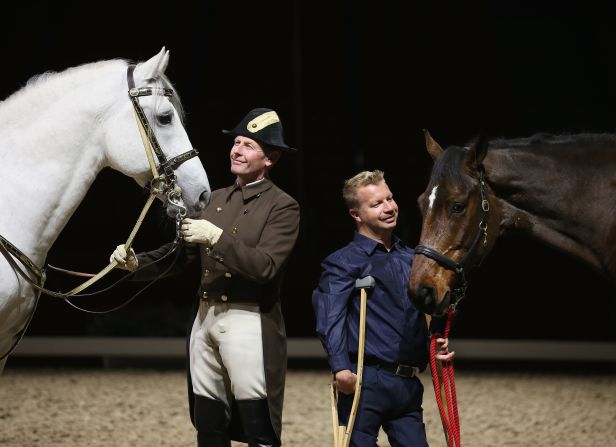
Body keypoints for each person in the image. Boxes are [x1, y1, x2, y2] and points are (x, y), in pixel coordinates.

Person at [111, 108, 300, 447]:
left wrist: (216, 237)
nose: (236, 150)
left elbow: (265, 266)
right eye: (236, 142)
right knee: (209, 426)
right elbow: (178, 257)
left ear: (270, 158)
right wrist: (134, 263)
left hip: (248, 321)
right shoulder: (214, 200)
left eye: (248, 145)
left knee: (260, 432)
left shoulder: (282, 207)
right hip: (205, 319)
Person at [311, 170, 453, 447]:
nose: (389, 208)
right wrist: (341, 368)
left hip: (408, 383)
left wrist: (436, 340)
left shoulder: (412, 259)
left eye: (389, 198)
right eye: (376, 204)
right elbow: (331, 317)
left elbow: (431, 309)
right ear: (356, 215)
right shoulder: (343, 263)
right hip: (365, 381)